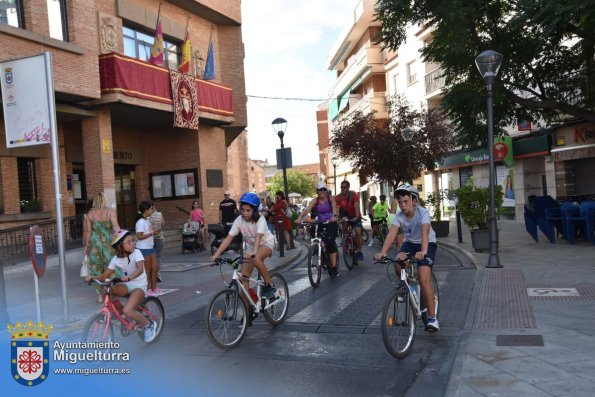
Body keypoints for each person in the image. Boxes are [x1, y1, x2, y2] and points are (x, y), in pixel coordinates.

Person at [374, 184, 439, 332]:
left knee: (424, 278)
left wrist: (423, 250)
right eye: (400, 202)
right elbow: (392, 234)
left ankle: (432, 318)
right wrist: (383, 252)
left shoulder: (423, 213)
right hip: (410, 244)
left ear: (414, 201)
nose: (402, 205)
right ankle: (409, 286)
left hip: (427, 243)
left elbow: (425, 231)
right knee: (398, 262)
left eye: (406, 201)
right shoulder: (399, 215)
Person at [85, 229, 156, 342]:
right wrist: (92, 278)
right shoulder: (116, 259)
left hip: (139, 286)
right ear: (119, 246)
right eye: (129, 242)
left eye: (132, 240)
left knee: (128, 310)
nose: (133, 243)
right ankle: (119, 314)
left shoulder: (136, 252)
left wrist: (130, 277)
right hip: (126, 285)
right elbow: (105, 275)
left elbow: (140, 269)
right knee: (107, 291)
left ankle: (149, 324)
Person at [210, 192, 277, 299]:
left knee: (256, 258)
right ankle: (251, 307)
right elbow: (228, 238)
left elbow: (258, 237)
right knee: (243, 280)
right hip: (251, 248)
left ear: (254, 210)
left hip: (266, 244)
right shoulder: (239, 220)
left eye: (248, 210)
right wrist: (216, 254)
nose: (245, 213)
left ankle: (269, 285)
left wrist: (254, 252)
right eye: (243, 210)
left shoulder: (260, 219)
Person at [296, 181, 340, 277]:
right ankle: (317, 249)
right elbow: (307, 209)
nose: (323, 191)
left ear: (327, 190)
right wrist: (300, 217)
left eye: (324, 189)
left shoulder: (330, 198)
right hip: (320, 222)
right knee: (313, 230)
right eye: (320, 189)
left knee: (330, 243)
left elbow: (334, 207)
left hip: (330, 222)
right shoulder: (315, 200)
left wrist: (335, 215)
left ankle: (333, 266)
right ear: (317, 191)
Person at [83, 192, 121, 303]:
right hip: (108, 245)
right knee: (110, 269)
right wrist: (121, 240)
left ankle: (100, 296)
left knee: (95, 270)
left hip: (95, 245)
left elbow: (88, 231)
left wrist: (86, 246)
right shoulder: (110, 212)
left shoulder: (90, 213)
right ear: (104, 200)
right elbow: (116, 227)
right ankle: (110, 294)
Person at [136, 201, 160, 296]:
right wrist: (152, 233)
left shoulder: (147, 220)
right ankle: (148, 288)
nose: (152, 210)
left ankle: (154, 287)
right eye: (151, 209)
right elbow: (139, 236)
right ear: (146, 210)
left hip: (150, 247)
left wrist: (154, 231)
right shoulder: (140, 222)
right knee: (148, 269)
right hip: (143, 248)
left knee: (155, 268)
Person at [336, 180, 363, 260]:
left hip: (355, 215)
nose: (342, 189)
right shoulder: (338, 197)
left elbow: (356, 206)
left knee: (358, 232)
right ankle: (346, 239)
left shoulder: (353, 195)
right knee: (344, 223)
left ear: (348, 188)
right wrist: (336, 217)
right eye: (341, 187)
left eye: (344, 187)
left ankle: (360, 251)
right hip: (345, 216)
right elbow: (336, 208)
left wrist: (357, 216)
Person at [148, 202, 165, 282]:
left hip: (150, 238)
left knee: (150, 258)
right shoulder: (159, 214)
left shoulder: (147, 216)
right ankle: (158, 275)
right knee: (158, 257)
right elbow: (163, 223)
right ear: (154, 206)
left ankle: (152, 275)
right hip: (159, 238)